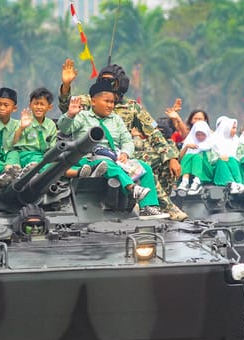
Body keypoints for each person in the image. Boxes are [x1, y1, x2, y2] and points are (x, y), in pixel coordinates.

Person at [58, 59, 186, 221]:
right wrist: (66, 87)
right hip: (93, 154)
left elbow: (153, 131)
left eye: (111, 81)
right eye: (103, 80)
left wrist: (171, 157)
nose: (107, 84)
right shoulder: (89, 100)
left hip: (123, 153)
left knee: (148, 167)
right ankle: (161, 204)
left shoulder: (132, 107)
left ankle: (154, 206)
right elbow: (66, 110)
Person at [9, 87, 58, 170]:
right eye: (36, 104)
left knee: (59, 162)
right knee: (41, 164)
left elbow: (51, 146)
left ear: (49, 107)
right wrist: (22, 127)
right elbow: (12, 143)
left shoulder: (50, 125)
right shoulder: (24, 122)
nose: (38, 107)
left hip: (42, 155)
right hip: (26, 155)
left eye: (42, 104)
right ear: (30, 105)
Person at [209, 116, 244, 193]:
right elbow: (211, 156)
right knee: (222, 161)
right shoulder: (214, 139)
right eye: (233, 128)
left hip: (233, 163)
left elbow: (240, 154)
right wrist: (220, 157)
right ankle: (230, 183)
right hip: (217, 166)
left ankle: (239, 183)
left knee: (232, 159)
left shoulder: (236, 140)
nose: (234, 130)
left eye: (235, 128)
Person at [176, 120, 213, 194]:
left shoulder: (211, 143)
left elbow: (212, 160)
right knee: (188, 155)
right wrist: (187, 147)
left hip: (206, 170)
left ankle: (197, 182)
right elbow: (180, 158)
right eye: (198, 134)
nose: (200, 137)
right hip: (191, 172)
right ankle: (185, 181)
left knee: (196, 157)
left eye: (203, 134)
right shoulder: (190, 142)